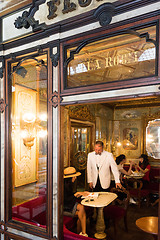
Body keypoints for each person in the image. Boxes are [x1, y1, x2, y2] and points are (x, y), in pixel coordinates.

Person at [64, 166, 89, 237]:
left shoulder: (68, 184)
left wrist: (79, 193)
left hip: (68, 205)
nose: (75, 178)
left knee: (80, 215)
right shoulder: (62, 186)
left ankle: (79, 234)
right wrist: (76, 195)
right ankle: (84, 233)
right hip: (63, 208)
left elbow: (70, 195)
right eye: (74, 177)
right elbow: (66, 200)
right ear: (69, 178)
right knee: (81, 208)